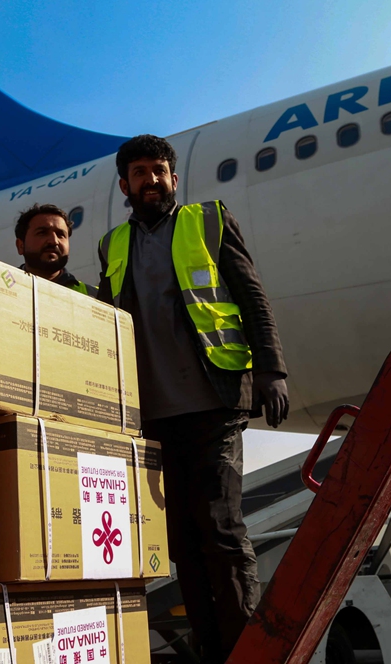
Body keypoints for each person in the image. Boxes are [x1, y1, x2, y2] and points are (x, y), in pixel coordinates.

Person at [96, 134, 289, 663]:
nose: (150, 180)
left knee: (221, 530)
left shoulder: (207, 220)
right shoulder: (112, 245)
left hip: (213, 402)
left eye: (159, 170)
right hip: (151, 415)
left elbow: (252, 295)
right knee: (181, 544)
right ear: (124, 186)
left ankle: (245, 652)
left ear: (173, 179)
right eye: (139, 173)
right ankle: (210, 649)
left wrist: (271, 369)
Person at [14, 203, 97, 296]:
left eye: (60, 235)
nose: (54, 241)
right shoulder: (1, 288)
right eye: (42, 233)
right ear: (20, 246)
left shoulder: (96, 297)